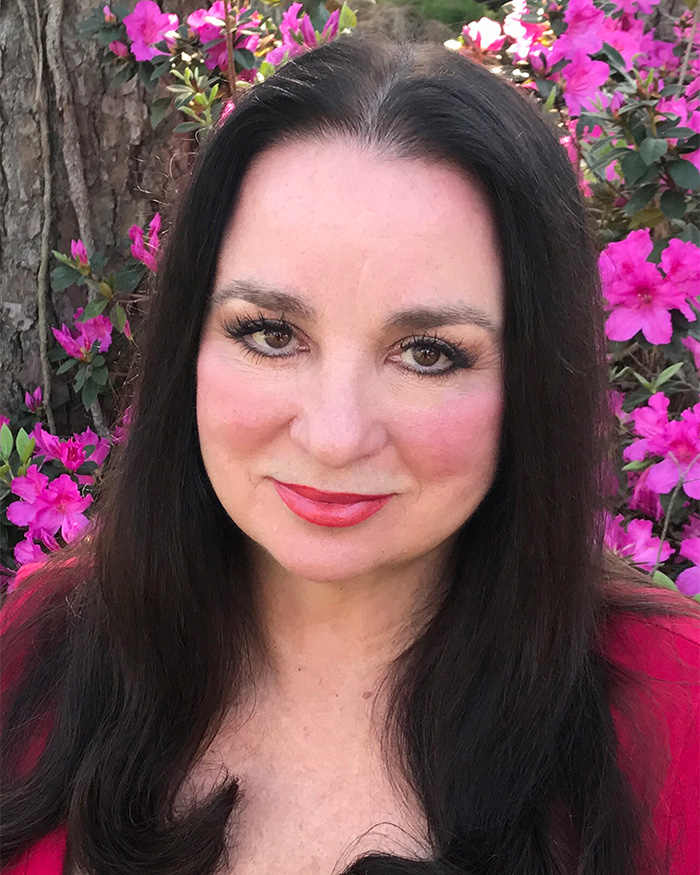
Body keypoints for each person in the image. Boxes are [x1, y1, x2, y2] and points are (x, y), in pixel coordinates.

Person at [1, 32, 698, 875]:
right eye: (270, 333)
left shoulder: (674, 708)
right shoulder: (45, 642)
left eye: (429, 352)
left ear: (530, 382)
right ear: (190, 344)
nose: (335, 436)